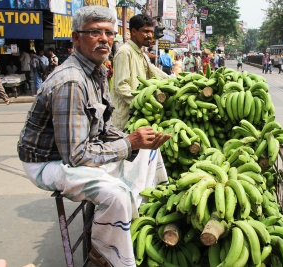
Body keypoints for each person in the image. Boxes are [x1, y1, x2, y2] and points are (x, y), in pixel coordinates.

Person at [17, 6, 171, 267]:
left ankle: (138, 218)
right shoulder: (71, 82)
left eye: (109, 33)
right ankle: (107, 251)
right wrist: (128, 143)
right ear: (76, 38)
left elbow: (101, 127)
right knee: (115, 194)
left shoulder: (97, 70)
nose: (104, 39)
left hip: (74, 151)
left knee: (148, 152)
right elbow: (76, 156)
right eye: (94, 32)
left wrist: (134, 140)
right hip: (47, 163)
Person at [112, 14, 169, 130]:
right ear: (133, 31)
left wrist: (176, 80)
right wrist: (142, 102)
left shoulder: (139, 53)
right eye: (145, 31)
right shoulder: (125, 52)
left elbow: (154, 72)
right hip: (124, 118)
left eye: (151, 32)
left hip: (136, 115)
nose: (149, 35)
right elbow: (121, 86)